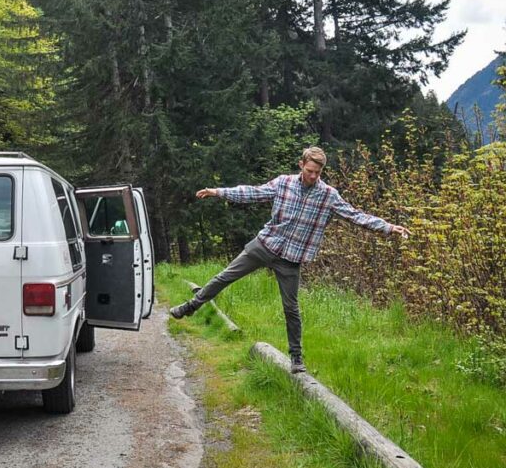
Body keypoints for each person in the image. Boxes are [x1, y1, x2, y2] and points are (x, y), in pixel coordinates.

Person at [170, 146, 410, 373]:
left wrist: (388, 227)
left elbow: (355, 216)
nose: (313, 176)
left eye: (317, 173)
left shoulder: (328, 195)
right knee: (224, 277)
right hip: (265, 245)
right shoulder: (283, 183)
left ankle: (296, 358)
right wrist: (218, 192)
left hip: (291, 259)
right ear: (301, 165)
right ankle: (191, 306)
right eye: (309, 171)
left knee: (291, 308)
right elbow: (253, 193)